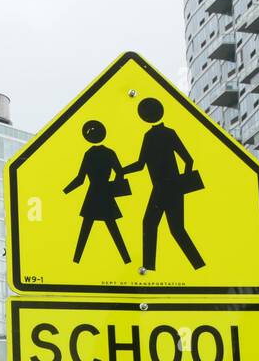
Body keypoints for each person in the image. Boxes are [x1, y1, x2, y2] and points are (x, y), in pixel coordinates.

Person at [122, 98, 205, 272]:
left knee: (155, 225)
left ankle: (152, 268)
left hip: (163, 188)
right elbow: (188, 160)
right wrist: (183, 182)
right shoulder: (166, 133)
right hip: (169, 188)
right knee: (172, 229)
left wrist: (122, 171)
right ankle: (196, 265)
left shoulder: (153, 136)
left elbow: (140, 164)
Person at [63, 120, 131, 264]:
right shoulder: (109, 153)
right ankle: (126, 259)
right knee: (112, 228)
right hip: (105, 193)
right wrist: (113, 188)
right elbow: (120, 172)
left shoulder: (89, 154)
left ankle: (76, 260)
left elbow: (80, 179)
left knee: (86, 229)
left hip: (93, 194)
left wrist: (65, 192)